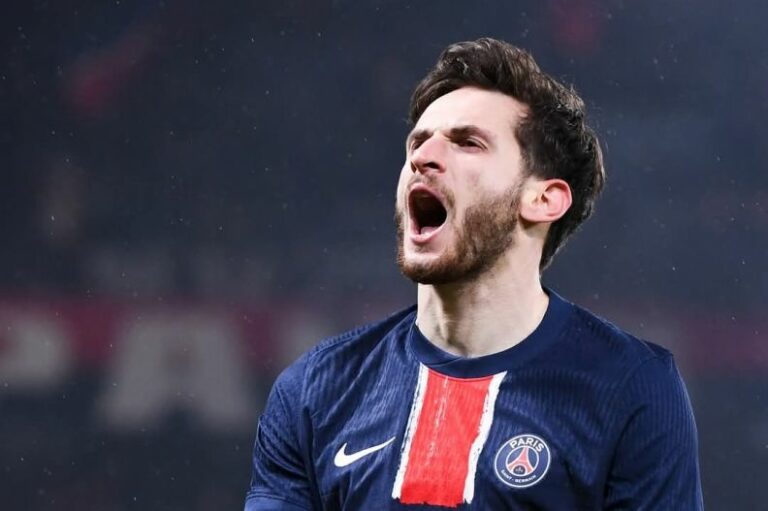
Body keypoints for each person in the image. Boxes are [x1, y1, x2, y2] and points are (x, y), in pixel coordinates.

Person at [245, 38, 703, 510]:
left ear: (543, 199)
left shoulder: (630, 386)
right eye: (417, 143)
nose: (423, 157)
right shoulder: (316, 389)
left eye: (468, 143)